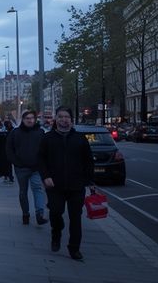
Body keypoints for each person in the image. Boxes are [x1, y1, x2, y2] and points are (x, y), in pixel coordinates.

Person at [38, 106, 94, 261]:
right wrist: (45, 176)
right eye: (61, 117)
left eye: (67, 117)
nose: (64, 120)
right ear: (56, 119)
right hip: (54, 185)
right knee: (56, 212)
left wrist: (90, 181)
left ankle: (74, 248)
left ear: (71, 120)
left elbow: (88, 161)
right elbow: (41, 159)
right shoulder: (48, 138)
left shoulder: (80, 139)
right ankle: (56, 234)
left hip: (76, 185)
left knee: (76, 217)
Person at [7, 110, 48, 226]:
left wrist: (42, 164)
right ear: (23, 120)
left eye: (32, 118)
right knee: (23, 192)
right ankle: (25, 213)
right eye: (27, 118)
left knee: (38, 189)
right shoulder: (15, 133)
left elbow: (46, 150)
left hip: (36, 168)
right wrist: (16, 163)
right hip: (21, 169)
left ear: (35, 119)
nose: (30, 120)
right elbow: (9, 149)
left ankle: (40, 214)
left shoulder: (40, 132)